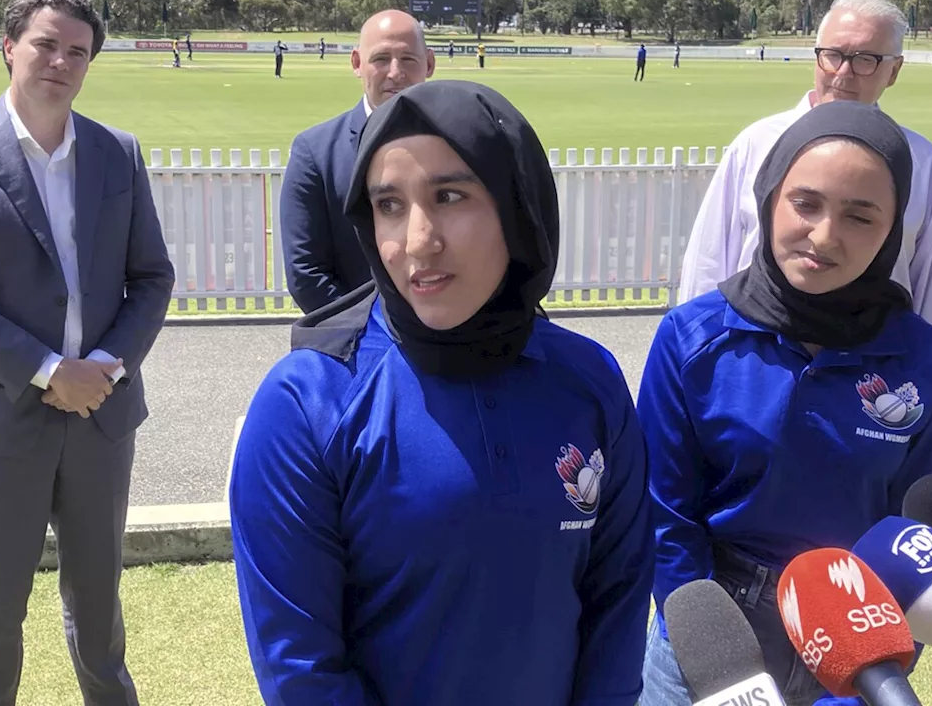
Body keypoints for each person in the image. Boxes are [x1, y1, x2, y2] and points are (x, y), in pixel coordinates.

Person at [229, 80, 653, 705]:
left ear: (516, 207)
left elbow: (616, 608)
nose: (417, 241)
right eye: (389, 206)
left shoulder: (589, 381)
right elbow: (302, 669)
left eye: (449, 196)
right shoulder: (306, 404)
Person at [637, 101, 932, 706]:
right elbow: (664, 515)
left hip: (858, 629)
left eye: (860, 217)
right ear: (769, 198)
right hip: (716, 623)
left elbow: (927, 519)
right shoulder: (692, 339)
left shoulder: (918, 354)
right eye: (805, 204)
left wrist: (885, 653)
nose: (824, 236)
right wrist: (705, 644)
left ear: (894, 232)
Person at [0, 0, 174, 705]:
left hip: (101, 420)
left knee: (99, 610)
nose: (60, 60)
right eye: (46, 44)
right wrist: (50, 371)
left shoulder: (118, 153)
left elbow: (152, 277)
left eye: (77, 51)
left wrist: (106, 371)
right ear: (9, 46)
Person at [676, 0, 932, 376]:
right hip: (751, 360)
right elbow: (710, 259)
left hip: (869, 368)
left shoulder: (922, 161)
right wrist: (695, 350)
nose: (843, 73)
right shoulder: (756, 143)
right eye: (833, 54)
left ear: (895, 70)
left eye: (866, 59)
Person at [280, 9, 435, 313]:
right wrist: (370, 335)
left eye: (408, 59)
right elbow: (306, 273)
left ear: (429, 63)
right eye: (380, 59)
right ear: (356, 63)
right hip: (356, 344)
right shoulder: (315, 152)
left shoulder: (460, 143)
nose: (395, 72)